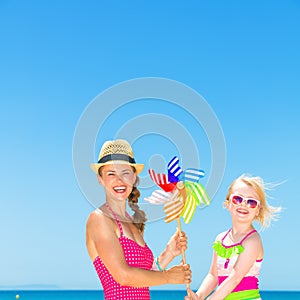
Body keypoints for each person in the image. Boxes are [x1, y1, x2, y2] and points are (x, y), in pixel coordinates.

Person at [86, 139, 191, 300]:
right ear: (100, 179)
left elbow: (143, 278)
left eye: (125, 173)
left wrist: (168, 253)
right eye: (111, 174)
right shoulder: (99, 218)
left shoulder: (132, 222)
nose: (119, 180)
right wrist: (169, 277)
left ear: (134, 177)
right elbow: (124, 277)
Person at [185, 174, 281, 300]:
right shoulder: (220, 239)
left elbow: (234, 279)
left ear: (258, 210)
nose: (244, 204)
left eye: (251, 202)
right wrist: (199, 296)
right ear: (227, 204)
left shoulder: (252, 240)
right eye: (238, 199)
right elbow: (213, 275)